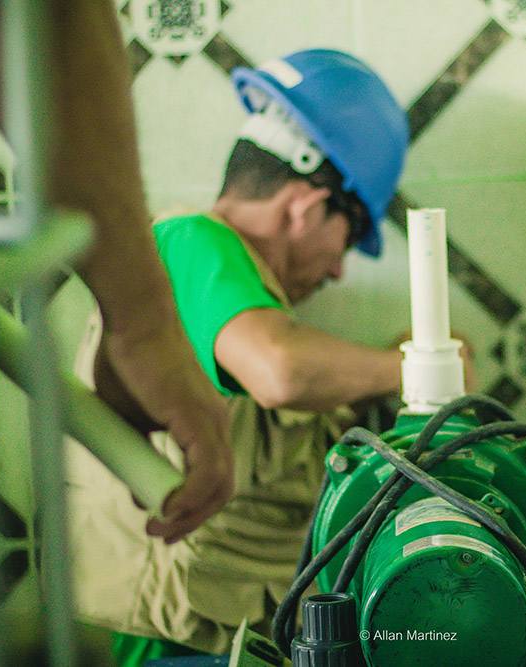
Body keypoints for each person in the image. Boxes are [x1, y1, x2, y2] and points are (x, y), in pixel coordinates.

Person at [65, 48, 475, 665]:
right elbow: (278, 372)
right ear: (309, 206)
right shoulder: (191, 241)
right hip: (163, 645)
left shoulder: (237, 293)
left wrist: (384, 374)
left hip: (211, 635)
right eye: (348, 238)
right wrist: (420, 364)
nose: (338, 270)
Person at [0, 0, 236, 542]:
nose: (337, 269)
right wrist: (143, 325)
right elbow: (40, 19)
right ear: (310, 204)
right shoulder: (203, 241)